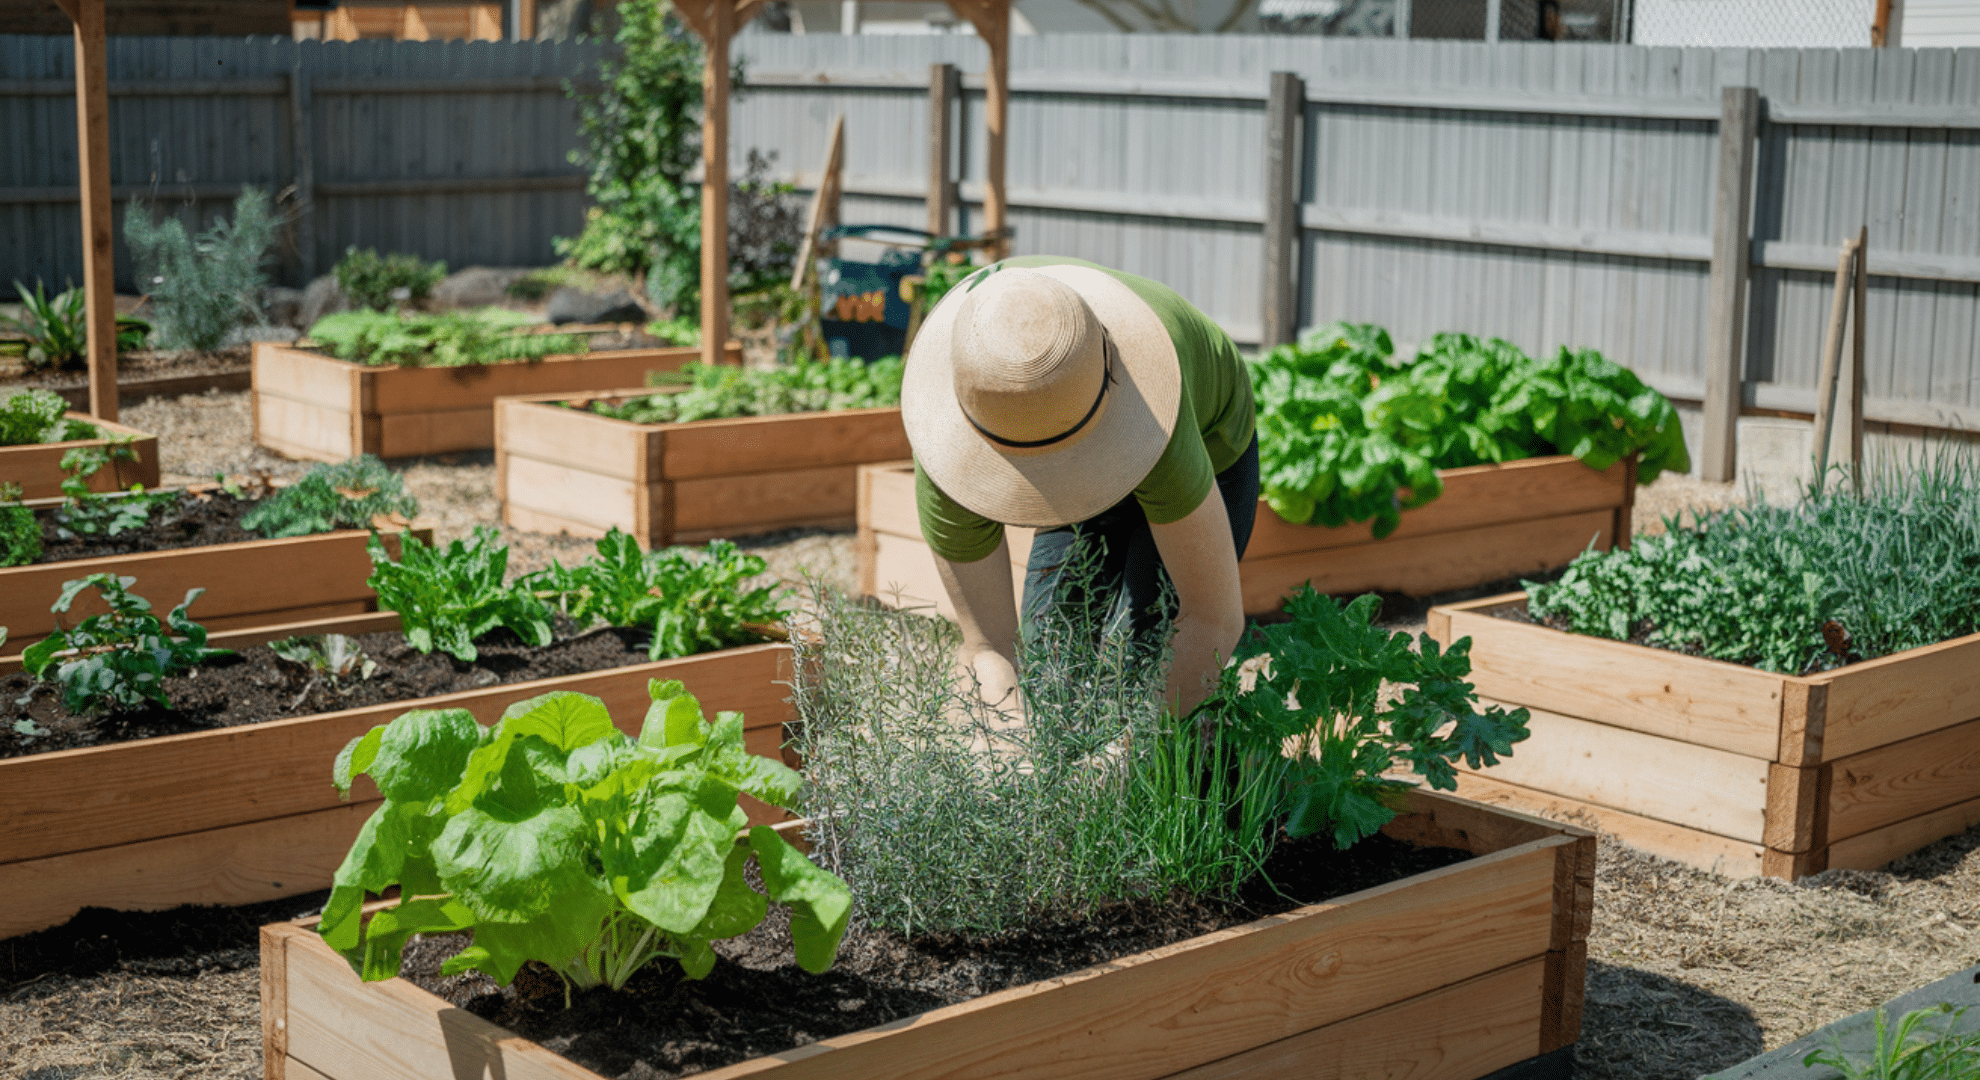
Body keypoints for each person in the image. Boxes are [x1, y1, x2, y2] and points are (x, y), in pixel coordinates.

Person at [902, 255, 1258, 717]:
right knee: (1052, 664)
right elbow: (986, 647)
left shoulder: (1154, 417)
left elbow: (1211, 620)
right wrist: (1012, 745)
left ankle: (1206, 764)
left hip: (1205, 442)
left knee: (1142, 657)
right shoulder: (970, 407)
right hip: (1079, 410)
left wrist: (1125, 751)